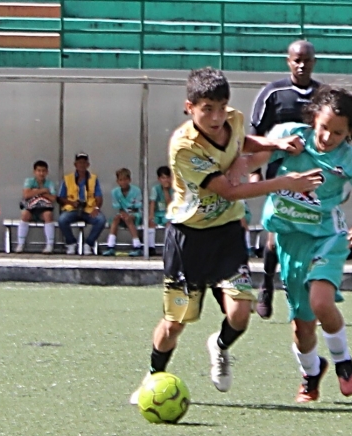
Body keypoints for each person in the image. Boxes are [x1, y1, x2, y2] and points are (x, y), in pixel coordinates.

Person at [129, 67, 323, 405]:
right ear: (189, 107)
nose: (217, 117)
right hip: (188, 239)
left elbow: (240, 142)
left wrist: (273, 143)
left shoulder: (232, 119)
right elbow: (229, 191)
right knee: (175, 323)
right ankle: (154, 375)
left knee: (240, 314)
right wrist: (286, 183)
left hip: (228, 235)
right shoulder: (183, 147)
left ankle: (219, 346)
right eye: (207, 109)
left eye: (221, 107)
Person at [252, 85, 352, 403]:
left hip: (327, 236)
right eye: (324, 128)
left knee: (321, 302)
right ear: (312, 118)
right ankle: (311, 371)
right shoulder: (289, 135)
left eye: (338, 133)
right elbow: (254, 160)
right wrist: (263, 153)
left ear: (349, 134)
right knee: (302, 330)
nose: (328, 137)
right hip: (290, 240)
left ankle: (344, 362)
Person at [250, 40, 321, 320]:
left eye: (307, 60)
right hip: (279, 172)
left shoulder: (321, 94)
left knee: (309, 231)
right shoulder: (273, 93)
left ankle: (303, 293)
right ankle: (267, 282)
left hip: (312, 174)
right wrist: (254, 172)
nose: (302, 65)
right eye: (296, 60)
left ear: (314, 62)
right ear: (288, 61)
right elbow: (255, 131)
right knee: (276, 233)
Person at [57, 152, 106, 255]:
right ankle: (71, 243)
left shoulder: (93, 178)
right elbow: (60, 198)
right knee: (62, 220)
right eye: (79, 163)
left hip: (88, 209)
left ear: (88, 164)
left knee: (101, 220)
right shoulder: (67, 179)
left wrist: (96, 208)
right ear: (75, 164)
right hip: (72, 209)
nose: (82, 165)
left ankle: (88, 244)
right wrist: (72, 202)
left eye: (84, 163)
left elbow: (99, 197)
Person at [16, 160, 57, 254]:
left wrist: (35, 192)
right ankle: (20, 244)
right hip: (30, 208)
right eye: (39, 171)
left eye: (43, 171)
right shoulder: (29, 181)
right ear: (34, 172)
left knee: (48, 215)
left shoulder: (50, 183)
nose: (41, 173)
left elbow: (53, 198)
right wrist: (43, 191)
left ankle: (49, 245)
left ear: (47, 172)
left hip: (43, 209)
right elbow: (26, 195)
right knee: (24, 214)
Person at [103, 168, 144, 257]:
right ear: (117, 181)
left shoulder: (136, 190)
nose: (123, 182)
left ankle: (137, 246)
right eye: (121, 180)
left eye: (125, 179)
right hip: (122, 214)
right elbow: (118, 207)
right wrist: (123, 213)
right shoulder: (115, 192)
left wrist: (128, 213)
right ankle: (110, 246)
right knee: (115, 219)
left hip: (135, 214)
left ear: (129, 180)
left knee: (128, 219)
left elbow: (138, 206)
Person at [147, 165, 174, 256]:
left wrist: (166, 191)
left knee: (169, 224)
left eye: (167, 177)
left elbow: (170, 205)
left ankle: (168, 247)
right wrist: (151, 215)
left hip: (168, 214)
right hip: (158, 213)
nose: (165, 180)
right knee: (151, 222)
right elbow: (152, 202)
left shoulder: (174, 189)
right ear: (159, 179)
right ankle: (151, 247)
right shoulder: (155, 189)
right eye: (163, 178)